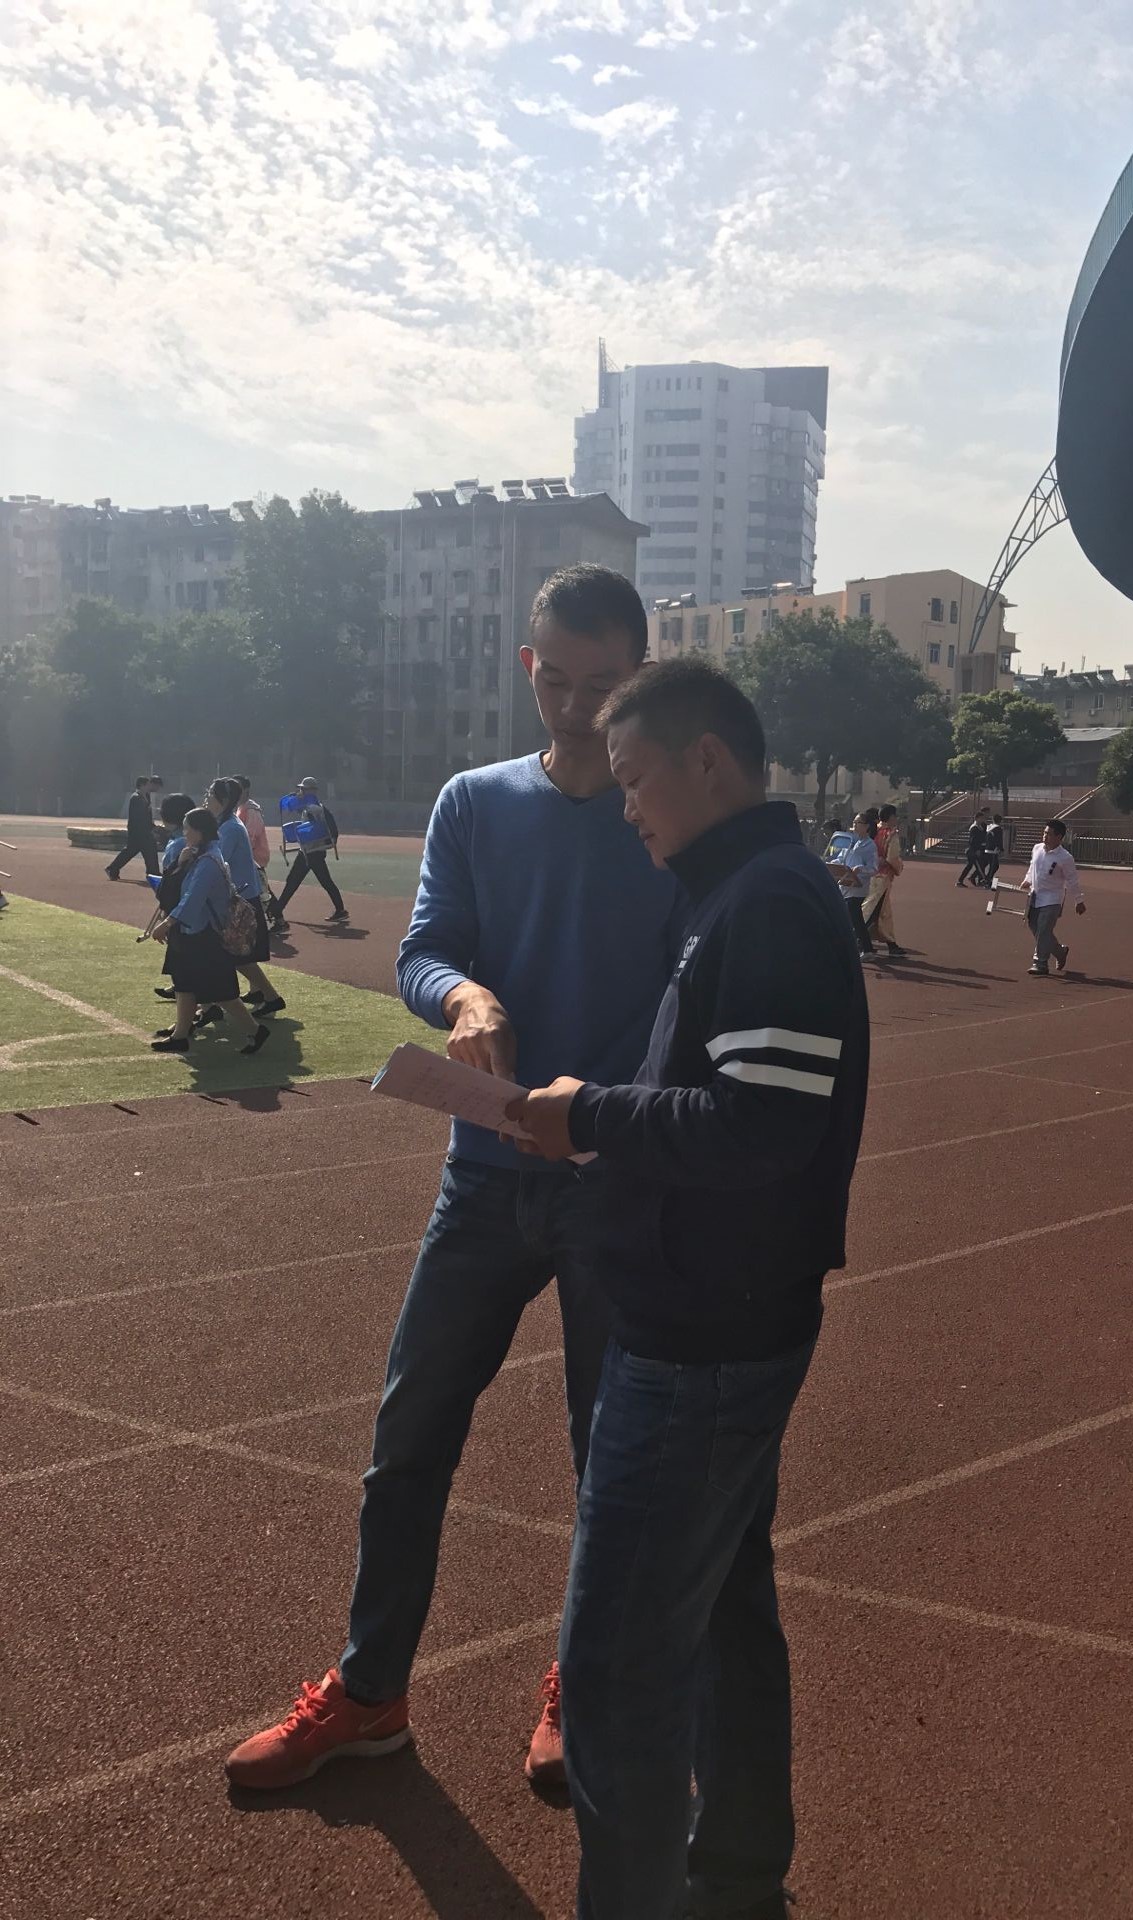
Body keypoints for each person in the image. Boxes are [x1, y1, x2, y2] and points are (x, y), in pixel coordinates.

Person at [224, 564, 685, 1796]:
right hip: (482, 1178)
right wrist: (464, 996)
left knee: (609, 1458)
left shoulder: (665, 819)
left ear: (637, 676)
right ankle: (370, 1691)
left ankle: (583, 1687)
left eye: (602, 685)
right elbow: (424, 949)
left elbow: (701, 989)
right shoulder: (475, 802)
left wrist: (622, 1119)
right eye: (556, 680)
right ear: (527, 666)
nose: (575, 709)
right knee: (409, 1436)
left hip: (613, 1185)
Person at [506, 658, 869, 1920]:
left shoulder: (764, 902)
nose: (626, 809)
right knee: (722, 1620)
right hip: (715, 1317)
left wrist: (588, 1117)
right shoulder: (743, 890)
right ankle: (736, 1884)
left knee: (615, 1672)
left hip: (699, 1340)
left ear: (707, 761)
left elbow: (758, 1123)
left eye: (636, 779)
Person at [149, 810, 270, 1056]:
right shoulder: (201, 855)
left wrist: (167, 923)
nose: (184, 833)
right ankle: (180, 1035)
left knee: (220, 992)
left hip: (205, 935)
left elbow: (193, 898)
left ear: (199, 831)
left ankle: (255, 1030)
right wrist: (180, 863)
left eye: (187, 828)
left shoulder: (208, 861)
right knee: (185, 984)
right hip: (194, 931)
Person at [205, 779, 285, 1020]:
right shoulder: (226, 823)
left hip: (239, 900)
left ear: (223, 800)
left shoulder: (230, 827)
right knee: (237, 957)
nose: (206, 799)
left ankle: (214, 1004)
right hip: (237, 896)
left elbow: (218, 862)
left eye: (210, 795)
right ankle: (265, 997)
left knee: (235, 956)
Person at [269, 777, 347, 930]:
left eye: (304, 789)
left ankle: (277, 911)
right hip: (311, 851)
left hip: (311, 852)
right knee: (322, 881)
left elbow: (311, 824)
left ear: (312, 791)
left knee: (293, 881)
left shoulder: (313, 808)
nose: (301, 791)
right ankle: (340, 909)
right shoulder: (313, 807)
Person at [1022, 818, 1086, 977]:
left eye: (1049, 834)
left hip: (1052, 899)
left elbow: (1072, 880)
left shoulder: (1065, 857)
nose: (1045, 836)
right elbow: (1032, 867)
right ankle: (1060, 952)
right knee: (1035, 928)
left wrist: (1079, 900)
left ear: (1059, 837)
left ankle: (1040, 963)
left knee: (1044, 930)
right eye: (1044, 833)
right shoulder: (1037, 848)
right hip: (1035, 895)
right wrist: (1027, 880)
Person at [152, 793, 196, 1003]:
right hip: (182, 904)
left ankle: (193, 995)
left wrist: (166, 910)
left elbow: (172, 878)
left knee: (182, 953)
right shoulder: (181, 840)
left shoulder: (178, 843)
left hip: (179, 905)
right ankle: (181, 987)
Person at [828, 810, 879, 955]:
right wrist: (831, 863)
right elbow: (842, 859)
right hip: (845, 884)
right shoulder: (850, 841)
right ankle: (863, 947)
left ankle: (866, 949)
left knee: (855, 919)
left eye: (858, 822)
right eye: (854, 822)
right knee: (852, 919)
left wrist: (860, 869)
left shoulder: (870, 845)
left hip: (858, 887)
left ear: (867, 826)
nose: (855, 825)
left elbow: (874, 868)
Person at [863, 803, 907, 958]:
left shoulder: (873, 830)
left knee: (882, 910)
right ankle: (859, 939)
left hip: (871, 874)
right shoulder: (891, 834)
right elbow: (892, 857)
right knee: (871, 910)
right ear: (891, 817)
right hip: (883, 876)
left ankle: (891, 944)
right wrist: (899, 867)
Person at [236, 777, 280, 927]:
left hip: (255, 856)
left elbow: (251, 835)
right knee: (262, 888)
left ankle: (277, 919)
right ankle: (277, 919)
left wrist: (243, 851)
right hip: (249, 856)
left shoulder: (251, 810)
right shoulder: (241, 808)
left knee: (262, 889)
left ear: (246, 790)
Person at [105, 775, 162, 881]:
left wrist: (152, 826)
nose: (149, 786)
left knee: (134, 851)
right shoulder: (136, 798)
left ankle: (113, 868)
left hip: (144, 830)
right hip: (137, 831)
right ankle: (153, 872)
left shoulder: (146, 796)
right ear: (142, 785)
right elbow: (138, 817)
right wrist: (149, 829)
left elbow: (147, 815)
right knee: (146, 849)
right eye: (147, 784)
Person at [958, 805, 991, 887]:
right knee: (979, 866)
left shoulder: (979, 827)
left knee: (970, 866)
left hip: (975, 850)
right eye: (981, 818)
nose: (982, 820)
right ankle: (983, 881)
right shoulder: (974, 828)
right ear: (977, 818)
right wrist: (977, 850)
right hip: (973, 851)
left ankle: (960, 881)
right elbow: (972, 841)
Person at [983, 815, 1004, 888]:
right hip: (993, 850)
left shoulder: (989, 827)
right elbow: (999, 839)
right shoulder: (998, 828)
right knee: (993, 867)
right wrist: (1001, 849)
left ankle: (986, 879)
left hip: (987, 848)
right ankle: (987, 881)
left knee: (993, 866)